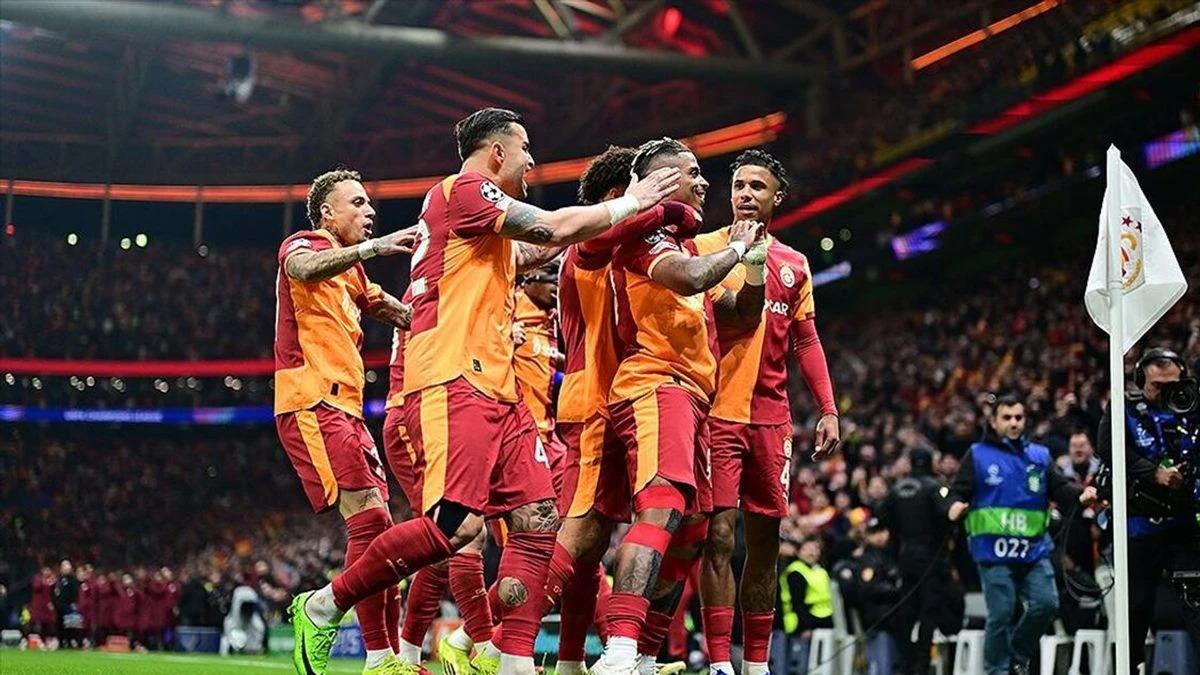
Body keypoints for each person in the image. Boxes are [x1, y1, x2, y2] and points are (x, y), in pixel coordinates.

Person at [290, 107, 681, 675]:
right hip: (453, 378)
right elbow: (550, 229)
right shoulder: (463, 191)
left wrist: (617, 218)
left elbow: (540, 248)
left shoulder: (483, 229)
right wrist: (632, 201)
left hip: (500, 390)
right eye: (525, 150)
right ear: (498, 152)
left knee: (539, 521)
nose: (531, 162)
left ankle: (512, 661)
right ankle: (326, 605)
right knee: (456, 527)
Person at [591, 137, 768, 675]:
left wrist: (755, 269)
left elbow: (741, 315)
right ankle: (619, 650)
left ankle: (645, 654)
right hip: (655, 386)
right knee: (661, 508)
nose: (705, 182)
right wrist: (737, 248)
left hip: (694, 399)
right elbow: (689, 278)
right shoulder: (643, 237)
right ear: (664, 181)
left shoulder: (687, 248)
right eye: (692, 173)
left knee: (692, 533)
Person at [691, 149, 840, 675]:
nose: (746, 194)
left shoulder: (794, 264)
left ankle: (756, 664)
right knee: (717, 537)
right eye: (739, 185)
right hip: (715, 412)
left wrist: (828, 408)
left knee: (766, 542)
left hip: (772, 420)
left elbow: (807, 341)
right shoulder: (704, 250)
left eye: (757, 186)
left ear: (778, 198)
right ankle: (719, 662)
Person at [549, 146, 696, 675]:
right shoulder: (592, 242)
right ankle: (493, 639)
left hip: (619, 399)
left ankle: (576, 661)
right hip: (593, 400)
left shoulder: (625, 246)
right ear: (619, 195)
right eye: (653, 184)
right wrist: (671, 209)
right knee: (579, 537)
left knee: (592, 549)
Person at [274, 167, 416, 675]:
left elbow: (392, 309)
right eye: (357, 203)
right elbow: (303, 268)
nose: (370, 211)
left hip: (348, 410)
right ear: (327, 213)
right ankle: (333, 620)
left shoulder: (353, 274)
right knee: (372, 524)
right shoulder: (303, 243)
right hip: (312, 401)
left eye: (369, 203)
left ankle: (384, 657)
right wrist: (373, 249)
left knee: (381, 530)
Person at [947, 393, 1098, 675]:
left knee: (1046, 604)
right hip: (994, 551)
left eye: (1018, 417)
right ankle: (997, 671)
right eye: (1007, 418)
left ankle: (1017, 655)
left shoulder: (1039, 455)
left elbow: (1060, 488)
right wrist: (953, 507)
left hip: (1033, 550)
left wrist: (1081, 496)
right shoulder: (978, 455)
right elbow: (957, 492)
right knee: (1002, 613)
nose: (1014, 423)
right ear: (994, 422)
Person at [1096, 346, 1200, 671]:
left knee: (1196, 601)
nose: (1167, 393)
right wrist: (1154, 473)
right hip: (1139, 525)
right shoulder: (1123, 408)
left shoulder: (1193, 407)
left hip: (1183, 524)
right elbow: (1107, 449)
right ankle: (1131, 668)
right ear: (1141, 381)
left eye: (1173, 385)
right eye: (1158, 386)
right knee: (1136, 608)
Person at [878, 448, 962, 675]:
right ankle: (922, 664)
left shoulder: (896, 489)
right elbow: (948, 513)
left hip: (905, 557)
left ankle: (905, 663)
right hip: (930, 558)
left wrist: (898, 535)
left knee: (906, 612)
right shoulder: (935, 487)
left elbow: (882, 516)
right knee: (928, 611)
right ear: (930, 462)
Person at [777, 537, 834, 672]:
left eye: (815, 549)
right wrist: (805, 627)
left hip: (822, 623)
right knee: (799, 666)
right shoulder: (795, 572)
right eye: (807, 549)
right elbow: (797, 603)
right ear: (799, 552)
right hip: (801, 626)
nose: (812, 552)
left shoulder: (820, 570)